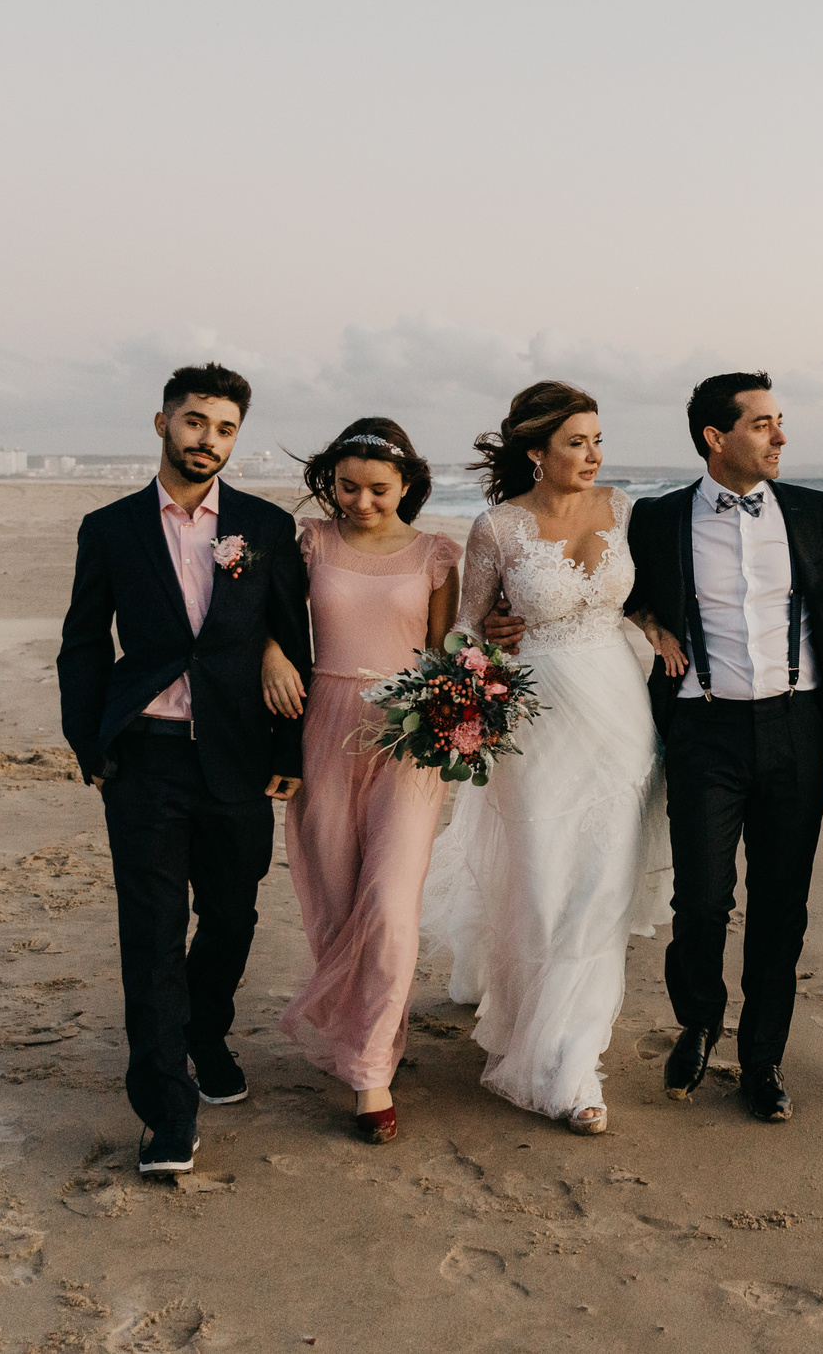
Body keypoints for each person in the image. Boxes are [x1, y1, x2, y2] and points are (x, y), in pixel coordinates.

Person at [55, 362, 310, 1177]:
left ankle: (206, 1031)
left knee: (232, 918)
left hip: (238, 754)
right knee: (152, 934)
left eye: (226, 427)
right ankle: (166, 1107)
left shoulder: (265, 527)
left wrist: (289, 750)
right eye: (196, 422)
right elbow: (84, 644)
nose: (210, 440)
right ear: (161, 422)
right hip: (147, 756)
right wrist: (89, 742)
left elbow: (292, 643)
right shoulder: (111, 528)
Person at [422, 381, 670, 1135]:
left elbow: (641, 599)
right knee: (543, 880)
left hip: (622, 715)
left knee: (601, 883)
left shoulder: (627, 510)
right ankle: (531, 1014)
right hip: (536, 721)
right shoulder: (498, 527)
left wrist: (660, 629)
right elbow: (462, 638)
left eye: (598, 439)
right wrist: (490, 637)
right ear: (536, 451)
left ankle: (571, 1062)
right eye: (576, 442)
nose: (594, 454)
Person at [621, 372, 823, 1122]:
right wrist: (648, 621)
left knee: (780, 906)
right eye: (763, 423)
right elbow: (614, 588)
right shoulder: (656, 519)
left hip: (797, 727)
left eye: (780, 420)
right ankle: (698, 1020)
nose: (781, 436)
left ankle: (762, 1059)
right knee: (700, 897)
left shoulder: (815, 511)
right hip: (704, 729)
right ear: (714, 438)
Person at [254, 419, 461, 1144]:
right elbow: (264, 615)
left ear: (407, 484)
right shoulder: (310, 542)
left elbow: (445, 654)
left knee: (391, 900)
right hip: (323, 723)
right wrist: (274, 654)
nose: (362, 502)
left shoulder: (437, 554)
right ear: (330, 482)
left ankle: (371, 1067)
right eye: (348, 487)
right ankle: (362, 1034)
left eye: (378, 489)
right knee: (335, 897)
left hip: (407, 732)